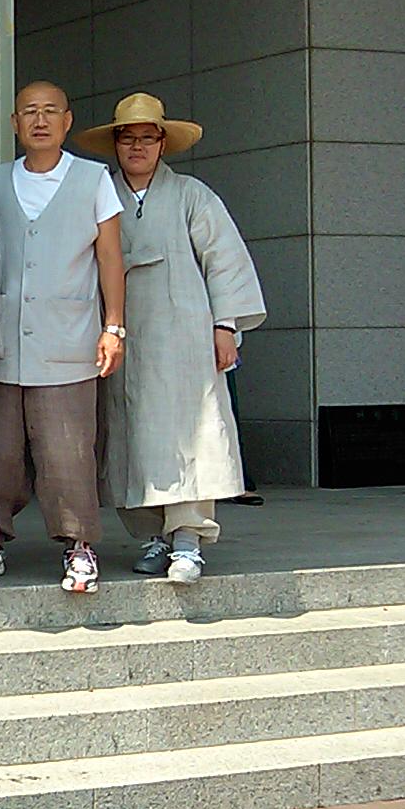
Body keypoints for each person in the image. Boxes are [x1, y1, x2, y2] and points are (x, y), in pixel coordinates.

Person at [75, 93, 265, 584]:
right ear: (115, 144)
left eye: (147, 137)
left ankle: (187, 537)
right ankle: (152, 534)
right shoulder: (98, 194)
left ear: (162, 143)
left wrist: (226, 326)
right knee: (129, 433)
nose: (137, 147)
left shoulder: (191, 195)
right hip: (119, 333)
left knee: (189, 429)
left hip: (183, 333)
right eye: (127, 138)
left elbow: (224, 260)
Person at [0, 80, 126, 595]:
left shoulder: (93, 179)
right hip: (2, 342)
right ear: (14, 123)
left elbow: (110, 258)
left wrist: (114, 326)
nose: (39, 121)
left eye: (50, 112)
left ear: (67, 121)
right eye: (29, 112)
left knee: (69, 451)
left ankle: (79, 544)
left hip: (69, 339)